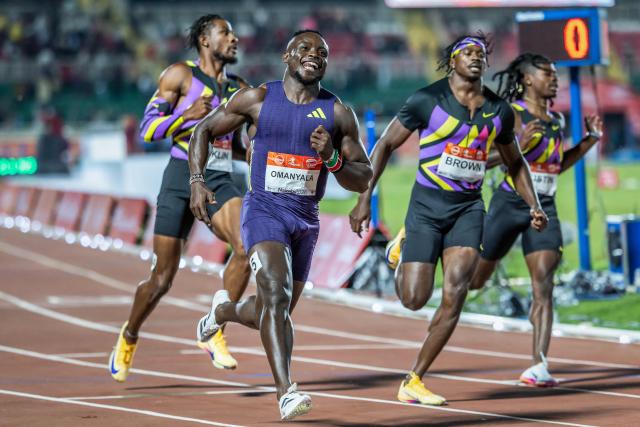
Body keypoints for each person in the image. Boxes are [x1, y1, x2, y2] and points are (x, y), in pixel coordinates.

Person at [349, 35, 548, 405]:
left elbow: (515, 160)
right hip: (425, 207)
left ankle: (414, 379)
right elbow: (386, 144)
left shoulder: (498, 110)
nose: (476, 58)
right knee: (413, 299)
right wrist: (364, 198)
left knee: (457, 291)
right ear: (451, 60)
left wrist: (533, 203)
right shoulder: (427, 99)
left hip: (468, 209)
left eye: (482, 54)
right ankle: (406, 244)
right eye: (468, 52)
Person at [189, 30, 372, 420]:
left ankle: (222, 313)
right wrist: (196, 182)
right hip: (263, 210)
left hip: (306, 220)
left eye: (322, 51)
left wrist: (333, 158)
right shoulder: (258, 99)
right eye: (305, 48)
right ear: (286, 56)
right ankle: (286, 391)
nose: (314, 55)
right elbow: (203, 130)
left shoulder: (338, 113)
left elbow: (363, 176)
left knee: (272, 311)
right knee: (274, 293)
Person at [109, 14, 252, 382]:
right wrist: (187, 116)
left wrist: (252, 152)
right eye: (226, 33)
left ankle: (215, 330)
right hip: (179, 175)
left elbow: (239, 145)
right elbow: (147, 129)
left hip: (220, 176)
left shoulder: (240, 88)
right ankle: (129, 334)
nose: (234, 39)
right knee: (161, 279)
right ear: (205, 40)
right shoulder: (179, 76)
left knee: (244, 244)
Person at [469, 53, 604, 387]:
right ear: (528, 79)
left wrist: (589, 141)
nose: (555, 79)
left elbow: (557, 164)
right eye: (548, 74)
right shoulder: (510, 115)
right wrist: (521, 147)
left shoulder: (556, 119)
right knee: (474, 281)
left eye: (556, 74)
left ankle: (538, 365)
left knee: (543, 284)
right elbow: (483, 161)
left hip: (545, 206)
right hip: (509, 201)